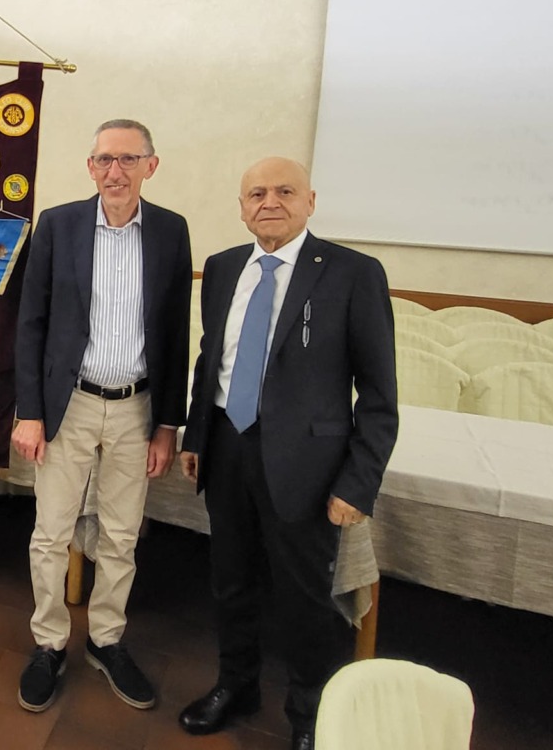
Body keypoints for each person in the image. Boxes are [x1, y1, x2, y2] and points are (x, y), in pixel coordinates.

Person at [177, 157, 398, 750]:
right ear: (241, 207)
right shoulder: (223, 267)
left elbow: (379, 396)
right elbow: (212, 358)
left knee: (303, 597)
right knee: (230, 582)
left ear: (310, 201)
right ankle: (236, 685)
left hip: (307, 465)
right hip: (227, 449)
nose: (269, 202)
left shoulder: (353, 274)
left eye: (284, 191)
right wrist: (197, 435)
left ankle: (307, 713)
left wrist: (358, 482)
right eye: (256, 193)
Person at [12, 119, 192, 713]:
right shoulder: (58, 225)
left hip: (137, 407)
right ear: (90, 167)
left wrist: (167, 424)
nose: (115, 171)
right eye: (104, 160)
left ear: (150, 166)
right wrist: (30, 411)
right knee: (50, 532)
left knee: (121, 534)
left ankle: (106, 638)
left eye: (128, 159)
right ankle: (48, 642)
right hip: (69, 404)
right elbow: (31, 322)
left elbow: (175, 332)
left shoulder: (170, 231)